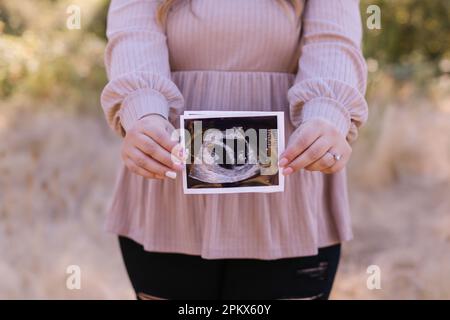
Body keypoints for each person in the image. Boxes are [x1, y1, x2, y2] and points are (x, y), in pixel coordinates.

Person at [100, 0, 368, 300]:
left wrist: (326, 116)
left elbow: (333, 42)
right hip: (170, 195)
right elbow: (133, 36)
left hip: (288, 197)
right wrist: (144, 112)